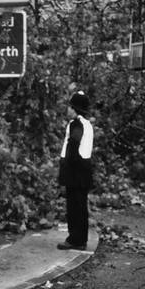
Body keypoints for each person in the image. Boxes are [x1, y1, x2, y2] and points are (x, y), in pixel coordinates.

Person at [57, 91, 94, 251]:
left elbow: (73, 144)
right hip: (84, 170)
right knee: (80, 206)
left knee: (74, 207)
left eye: (70, 107)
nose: (68, 110)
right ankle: (80, 239)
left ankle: (75, 240)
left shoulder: (76, 124)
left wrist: (66, 169)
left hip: (75, 171)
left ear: (75, 109)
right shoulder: (87, 124)